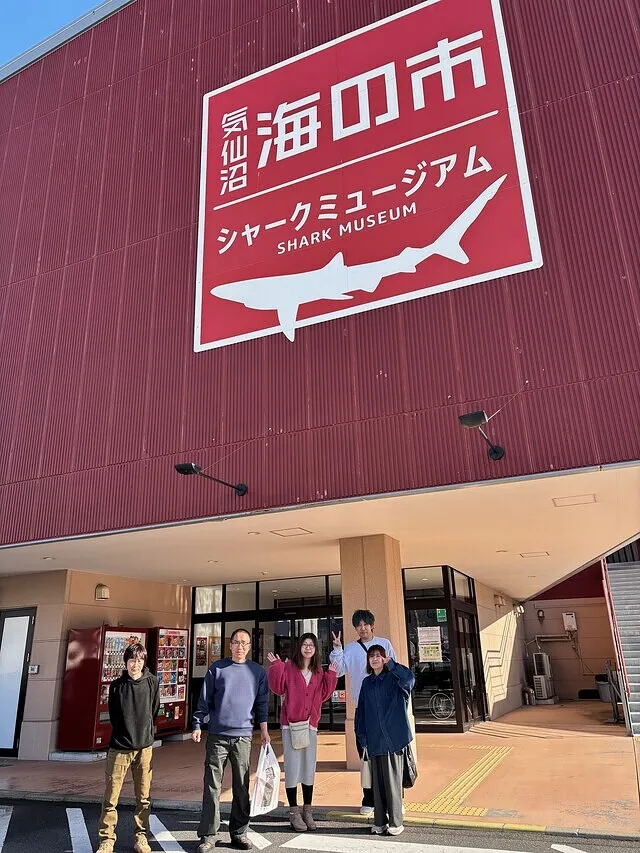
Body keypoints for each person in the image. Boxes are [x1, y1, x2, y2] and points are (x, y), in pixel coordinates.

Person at [192, 628, 269, 853]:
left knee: (242, 786)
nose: (239, 647)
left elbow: (262, 705)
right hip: (217, 736)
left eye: (244, 643)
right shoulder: (217, 668)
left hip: (244, 737)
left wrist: (264, 731)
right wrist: (197, 723)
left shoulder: (257, 672)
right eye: (236, 642)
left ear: (249, 646)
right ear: (230, 645)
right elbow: (204, 699)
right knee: (212, 786)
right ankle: (208, 835)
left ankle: (239, 833)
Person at [267, 634, 339, 832]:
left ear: (316, 649)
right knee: (292, 768)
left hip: (310, 725)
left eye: (312, 645)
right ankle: (294, 812)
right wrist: (276, 667)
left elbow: (324, 695)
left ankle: (308, 810)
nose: (308, 648)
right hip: (290, 726)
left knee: (308, 768)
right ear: (299, 647)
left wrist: (331, 675)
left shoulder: (318, 671)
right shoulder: (289, 667)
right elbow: (277, 687)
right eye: (305, 644)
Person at [329, 609, 396, 815]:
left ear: (372, 625)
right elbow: (338, 670)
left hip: (384, 709)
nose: (362, 627)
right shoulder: (350, 649)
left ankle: (392, 796)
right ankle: (369, 798)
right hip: (362, 709)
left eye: (366, 624)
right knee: (365, 754)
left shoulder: (384, 644)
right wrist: (338, 649)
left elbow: (394, 671)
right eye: (358, 625)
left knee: (386, 754)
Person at [95, 643, 159, 853]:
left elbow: (154, 709)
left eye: (140, 660)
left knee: (143, 797)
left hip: (144, 749)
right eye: (132, 660)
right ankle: (107, 839)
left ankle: (141, 837)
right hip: (119, 748)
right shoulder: (116, 686)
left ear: (144, 662)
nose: (136, 664)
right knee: (111, 796)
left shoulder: (152, 682)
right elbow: (114, 715)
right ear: (126, 662)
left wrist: (147, 735)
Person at [356, 645, 415, 836]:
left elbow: (410, 680)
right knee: (378, 785)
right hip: (374, 740)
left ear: (384, 658)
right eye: (371, 656)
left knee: (392, 783)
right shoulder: (367, 683)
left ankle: (396, 822)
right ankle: (380, 822)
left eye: (378, 656)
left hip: (394, 740)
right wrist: (362, 737)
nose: (374, 659)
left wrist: (393, 664)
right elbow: (361, 713)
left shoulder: (395, 678)